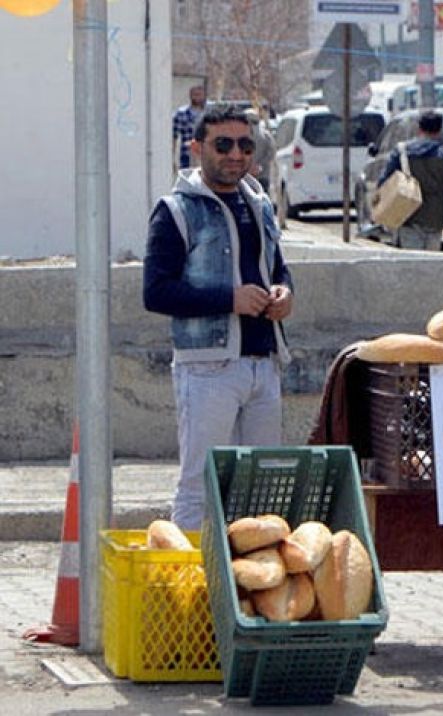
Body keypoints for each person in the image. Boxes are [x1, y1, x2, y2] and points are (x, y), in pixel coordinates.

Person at [143, 103, 294, 530]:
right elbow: (156, 292)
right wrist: (229, 299)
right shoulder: (174, 211)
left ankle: (247, 591)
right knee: (200, 487)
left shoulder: (260, 202)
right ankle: (188, 590)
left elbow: (277, 267)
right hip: (208, 369)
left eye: (245, 145)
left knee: (265, 491)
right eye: (223, 144)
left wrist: (286, 293)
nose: (236, 155)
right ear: (196, 148)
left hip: (264, 363)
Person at [376, 110, 443, 250]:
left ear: (419, 128)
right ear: (439, 130)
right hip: (435, 220)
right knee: (432, 265)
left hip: (407, 216)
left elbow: (383, 181)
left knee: (411, 264)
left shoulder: (402, 152)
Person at [172, 84, 207, 171]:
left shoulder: (209, 113)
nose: (197, 97)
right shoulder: (181, 113)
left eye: (200, 94)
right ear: (190, 96)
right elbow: (173, 137)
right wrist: (172, 159)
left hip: (206, 156)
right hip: (186, 156)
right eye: (195, 94)